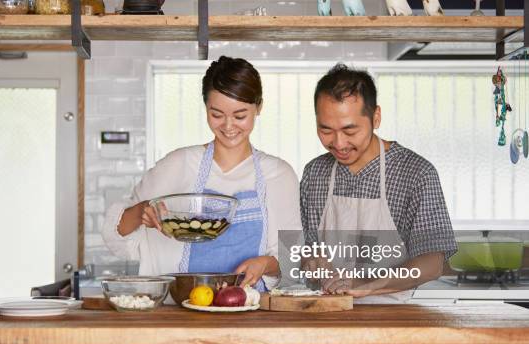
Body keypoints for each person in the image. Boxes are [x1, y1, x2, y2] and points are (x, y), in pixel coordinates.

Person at [102, 56, 302, 291]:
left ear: (259, 107)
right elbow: (116, 237)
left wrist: (265, 264)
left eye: (240, 116)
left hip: (251, 315)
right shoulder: (178, 164)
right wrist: (141, 211)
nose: (228, 126)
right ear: (205, 106)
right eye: (216, 114)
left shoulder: (278, 174)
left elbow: (292, 258)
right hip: (178, 313)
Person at [300, 64, 457, 302]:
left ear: (376, 117)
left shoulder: (415, 173)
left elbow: (431, 263)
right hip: (326, 315)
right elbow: (303, 249)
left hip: (392, 319)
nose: (339, 143)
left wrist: (365, 284)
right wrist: (310, 260)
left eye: (350, 130)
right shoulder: (315, 173)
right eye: (326, 130)